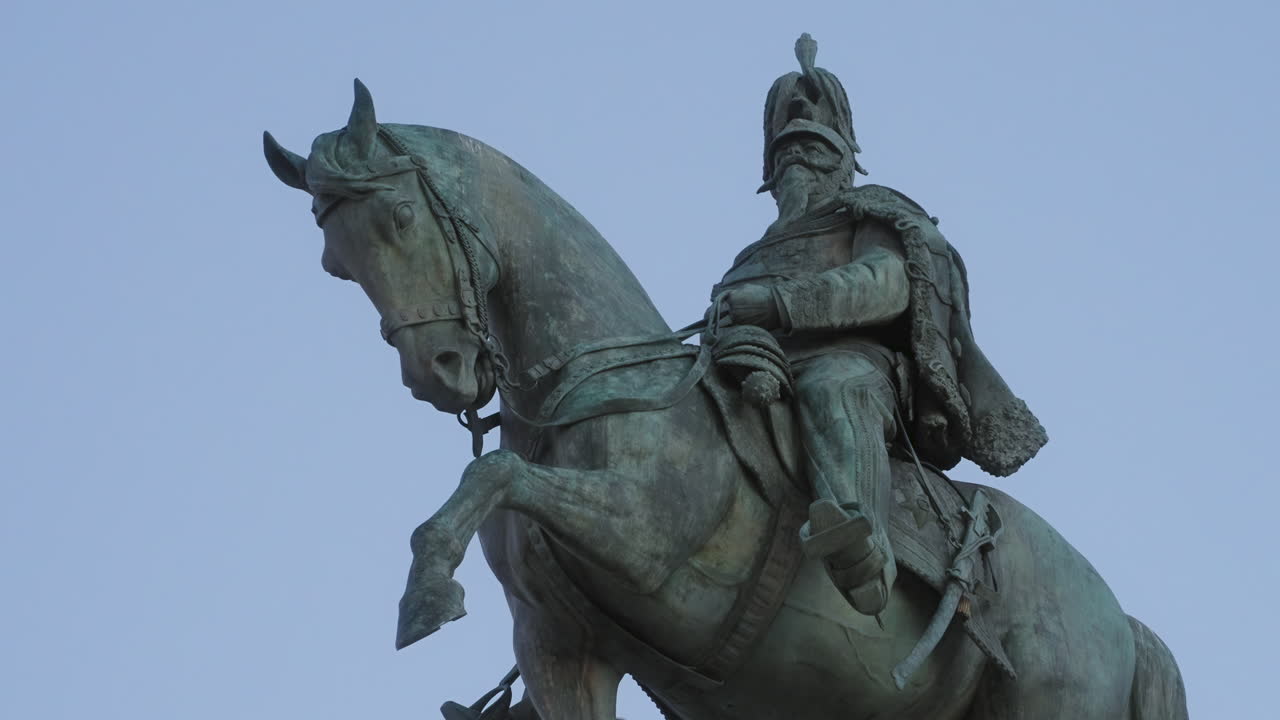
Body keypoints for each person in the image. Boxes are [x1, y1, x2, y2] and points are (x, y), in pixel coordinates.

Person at [710, 34, 1047, 615]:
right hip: (756, 364)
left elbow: (884, 286)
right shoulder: (748, 254)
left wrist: (778, 304)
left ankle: (863, 544)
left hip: (859, 366)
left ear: (846, 159)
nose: (797, 154)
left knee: (833, 387)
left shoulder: (873, 210)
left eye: (815, 146)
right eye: (786, 149)